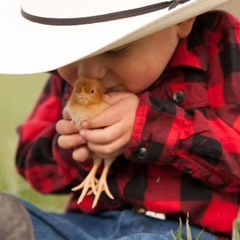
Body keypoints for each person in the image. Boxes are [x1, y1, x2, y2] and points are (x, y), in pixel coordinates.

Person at [0, 0, 239, 239]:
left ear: (182, 21)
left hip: (187, 231)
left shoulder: (221, 44)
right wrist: (72, 145)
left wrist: (150, 126)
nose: (88, 73)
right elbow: (31, 165)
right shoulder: (77, 78)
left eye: (115, 49)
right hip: (88, 226)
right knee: (13, 218)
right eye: (72, 52)